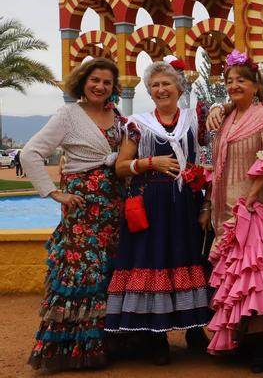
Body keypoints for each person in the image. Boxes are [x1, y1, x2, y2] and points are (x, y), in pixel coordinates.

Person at [20, 58, 126, 371]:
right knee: (83, 272)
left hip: (113, 207)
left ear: (113, 87)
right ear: (83, 81)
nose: (100, 86)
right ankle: (75, 349)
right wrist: (54, 192)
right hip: (82, 210)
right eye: (95, 80)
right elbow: (30, 153)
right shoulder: (68, 114)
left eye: (107, 82)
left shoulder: (118, 116)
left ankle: (110, 343)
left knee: (109, 270)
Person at [105, 58, 212, 365]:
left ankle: (195, 330)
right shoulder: (138, 125)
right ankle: (157, 337)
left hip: (186, 204)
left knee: (188, 259)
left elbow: (212, 158)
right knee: (152, 262)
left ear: (179, 88)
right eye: (155, 85)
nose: (161, 89)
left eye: (166, 83)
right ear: (149, 91)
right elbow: (121, 167)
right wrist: (151, 162)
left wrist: (206, 204)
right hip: (151, 204)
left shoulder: (195, 119)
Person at [205, 50, 263, 373]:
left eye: (241, 80)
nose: (234, 85)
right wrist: (210, 205)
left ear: (255, 85)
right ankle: (242, 340)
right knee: (235, 279)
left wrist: (250, 198)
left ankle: (261, 346)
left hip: (251, 210)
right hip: (225, 211)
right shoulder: (226, 116)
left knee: (254, 280)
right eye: (229, 81)